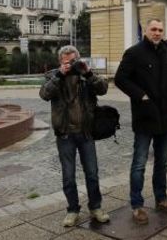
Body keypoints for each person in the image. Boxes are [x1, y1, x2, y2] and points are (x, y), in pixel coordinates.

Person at [114, 19, 167, 225]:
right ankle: (137, 204)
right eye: (154, 29)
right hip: (145, 117)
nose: (157, 33)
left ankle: (161, 199)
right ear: (147, 31)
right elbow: (120, 79)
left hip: (166, 118)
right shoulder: (134, 52)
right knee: (139, 164)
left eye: (160, 30)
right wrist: (140, 95)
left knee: (161, 163)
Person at [40, 45, 111, 227]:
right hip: (65, 135)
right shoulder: (53, 76)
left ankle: (96, 207)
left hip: (86, 133)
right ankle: (72, 209)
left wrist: (88, 73)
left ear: (78, 59)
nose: (70, 65)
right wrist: (59, 76)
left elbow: (103, 89)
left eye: (73, 61)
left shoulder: (84, 74)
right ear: (60, 62)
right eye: (66, 62)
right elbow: (44, 94)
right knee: (69, 176)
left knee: (92, 174)